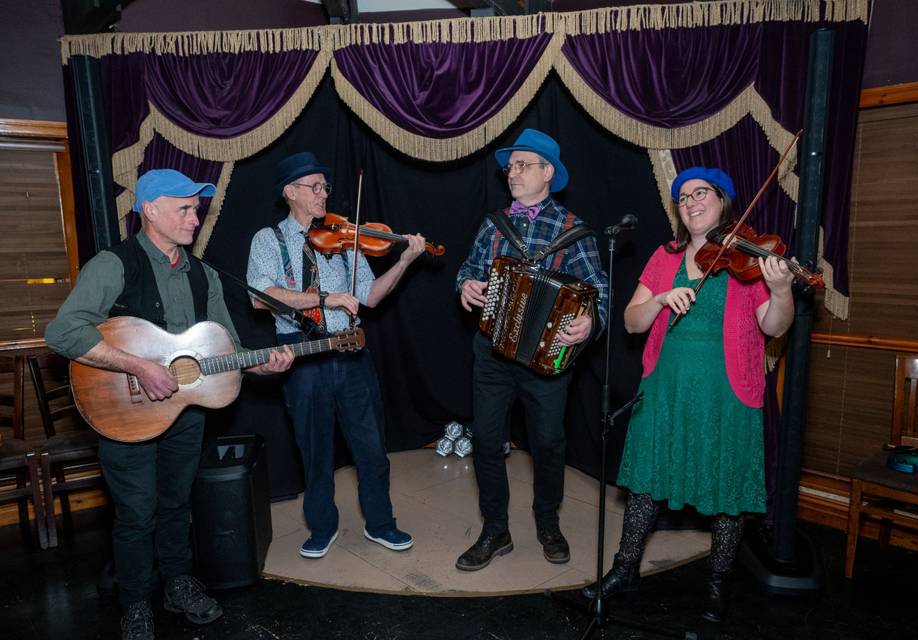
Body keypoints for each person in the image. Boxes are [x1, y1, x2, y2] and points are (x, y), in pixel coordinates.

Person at [45, 169, 294, 640]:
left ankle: (178, 584)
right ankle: (135, 602)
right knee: (137, 513)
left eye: (196, 208)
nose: (194, 218)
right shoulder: (113, 264)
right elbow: (62, 333)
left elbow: (227, 350)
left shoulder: (204, 274)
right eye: (183, 208)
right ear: (149, 210)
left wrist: (261, 364)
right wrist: (137, 366)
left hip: (185, 411)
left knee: (177, 503)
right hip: (124, 412)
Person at [581, 167, 794, 622]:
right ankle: (624, 570)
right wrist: (658, 300)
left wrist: (780, 291)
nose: (692, 202)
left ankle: (717, 582)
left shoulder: (749, 262)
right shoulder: (665, 256)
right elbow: (631, 322)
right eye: (684, 197)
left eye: (703, 194)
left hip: (729, 391)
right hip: (666, 385)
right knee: (646, 484)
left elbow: (775, 327)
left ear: (724, 202)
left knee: (727, 491)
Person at [247, 151, 425, 561]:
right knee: (314, 449)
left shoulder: (346, 239)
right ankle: (322, 527)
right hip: (304, 356)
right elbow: (260, 297)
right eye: (315, 187)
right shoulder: (268, 240)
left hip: (351, 354)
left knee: (371, 447)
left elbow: (371, 297)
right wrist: (324, 298)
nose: (324, 194)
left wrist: (405, 261)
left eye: (325, 187)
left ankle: (381, 523)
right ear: (290, 192)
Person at [456, 128, 609, 571]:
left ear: (548, 173)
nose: (513, 174)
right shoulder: (493, 224)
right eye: (510, 167)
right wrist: (464, 284)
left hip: (545, 360)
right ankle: (494, 529)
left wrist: (590, 321)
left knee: (548, 442)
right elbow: (468, 268)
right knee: (485, 440)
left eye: (523, 165)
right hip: (491, 351)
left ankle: (547, 522)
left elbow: (599, 290)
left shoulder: (571, 231)